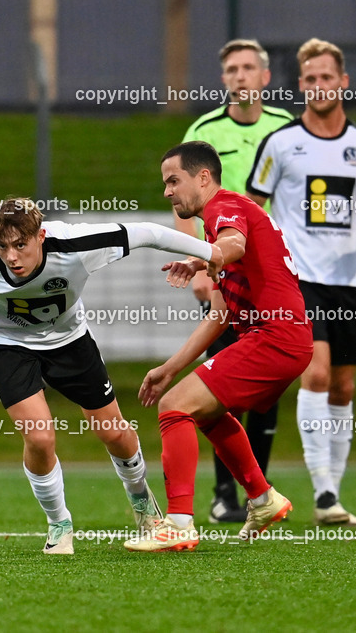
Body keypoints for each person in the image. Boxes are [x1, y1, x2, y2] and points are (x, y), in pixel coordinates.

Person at [0, 197, 224, 554]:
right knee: (40, 437)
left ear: (41, 236)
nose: (12, 257)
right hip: (5, 344)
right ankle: (59, 525)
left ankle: (144, 507)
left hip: (68, 339)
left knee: (113, 431)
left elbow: (149, 233)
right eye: (3, 247)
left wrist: (211, 252)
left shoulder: (76, 245)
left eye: (20, 245)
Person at [246, 38, 356, 527]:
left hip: (350, 281)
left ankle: (332, 492)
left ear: (343, 82)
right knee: (315, 374)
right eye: (311, 78)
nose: (319, 85)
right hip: (298, 279)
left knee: (343, 386)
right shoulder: (281, 144)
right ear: (301, 85)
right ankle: (323, 492)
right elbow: (253, 208)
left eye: (327, 77)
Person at [124, 141, 314, 552]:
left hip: (276, 337)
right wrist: (170, 367)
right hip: (279, 338)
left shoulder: (223, 208)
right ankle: (262, 498)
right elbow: (220, 314)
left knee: (174, 407)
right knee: (204, 412)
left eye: (174, 181)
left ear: (204, 177)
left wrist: (208, 255)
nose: (167, 192)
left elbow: (234, 244)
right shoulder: (221, 223)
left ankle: (178, 523)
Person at [176, 38, 295, 523]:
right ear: (223, 78)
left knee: (263, 386)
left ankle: (258, 489)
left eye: (248, 67)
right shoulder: (204, 130)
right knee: (220, 379)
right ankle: (225, 491)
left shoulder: (286, 127)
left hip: (269, 269)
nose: (240, 76)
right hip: (223, 267)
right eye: (232, 69)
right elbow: (184, 203)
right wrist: (201, 263)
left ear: (265, 77)